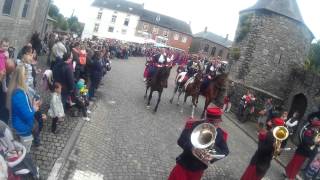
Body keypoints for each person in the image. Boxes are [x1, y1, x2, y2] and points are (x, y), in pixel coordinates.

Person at [168, 107, 229, 180]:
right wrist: (192, 148)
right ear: (206, 119)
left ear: (219, 121)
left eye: (216, 123)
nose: (214, 125)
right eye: (211, 122)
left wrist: (212, 156)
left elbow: (225, 151)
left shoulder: (219, 133)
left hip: (198, 169)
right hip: (184, 164)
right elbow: (181, 140)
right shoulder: (195, 125)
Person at [6, 65, 40, 152]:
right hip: (23, 128)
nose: (27, 76)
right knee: (25, 151)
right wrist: (34, 108)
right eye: (26, 74)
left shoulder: (14, 89)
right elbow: (27, 115)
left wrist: (31, 106)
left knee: (21, 149)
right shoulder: (20, 94)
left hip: (18, 125)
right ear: (22, 77)